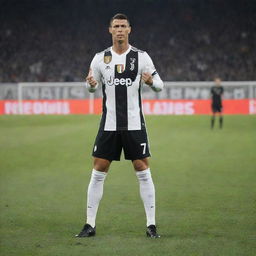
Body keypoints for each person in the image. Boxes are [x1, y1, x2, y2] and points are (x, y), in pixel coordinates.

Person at [76, 13, 164, 238]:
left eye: (123, 26)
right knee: (99, 169)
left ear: (129, 29)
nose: (120, 30)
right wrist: (91, 85)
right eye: (116, 26)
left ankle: (151, 225)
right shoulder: (100, 58)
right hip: (109, 123)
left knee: (142, 169)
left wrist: (151, 82)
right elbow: (91, 88)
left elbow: (160, 86)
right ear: (110, 30)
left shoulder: (141, 57)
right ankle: (89, 224)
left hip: (134, 124)